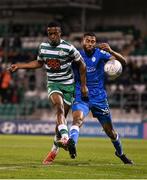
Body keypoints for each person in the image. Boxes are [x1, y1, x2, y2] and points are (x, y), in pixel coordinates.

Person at [43, 32, 133, 165]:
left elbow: (123, 62)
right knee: (77, 119)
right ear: (82, 42)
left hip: (99, 98)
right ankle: (72, 143)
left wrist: (111, 50)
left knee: (110, 132)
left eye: (93, 41)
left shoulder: (101, 54)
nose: (90, 43)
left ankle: (120, 153)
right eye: (88, 41)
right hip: (81, 95)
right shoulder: (76, 55)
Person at [8, 21, 88, 159]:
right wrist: (20, 66)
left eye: (55, 33)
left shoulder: (68, 48)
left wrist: (83, 85)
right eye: (50, 33)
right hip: (53, 83)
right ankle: (65, 138)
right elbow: (39, 63)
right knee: (59, 107)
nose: (52, 36)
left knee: (60, 121)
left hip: (68, 85)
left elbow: (82, 65)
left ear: (60, 33)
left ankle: (54, 150)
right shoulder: (43, 47)